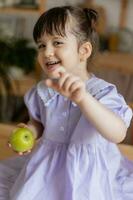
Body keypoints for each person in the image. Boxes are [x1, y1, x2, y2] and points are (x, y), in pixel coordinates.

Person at [0, 6, 133, 200]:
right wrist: (30, 132)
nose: (47, 52)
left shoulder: (101, 92)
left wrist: (83, 99)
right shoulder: (44, 89)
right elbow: (39, 123)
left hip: (88, 172)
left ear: (84, 50)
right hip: (47, 168)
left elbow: (117, 133)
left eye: (57, 42)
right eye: (41, 45)